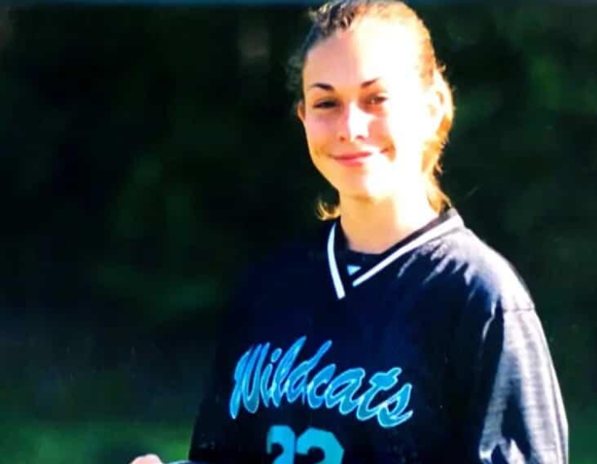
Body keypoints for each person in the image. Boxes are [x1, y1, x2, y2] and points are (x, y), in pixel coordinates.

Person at [131, 0, 568, 462]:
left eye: (376, 99)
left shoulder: (478, 297)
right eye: (327, 103)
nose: (350, 127)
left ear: (431, 106)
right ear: (303, 118)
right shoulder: (269, 288)